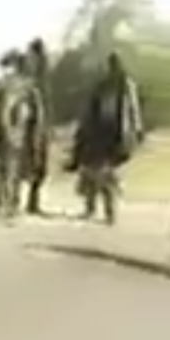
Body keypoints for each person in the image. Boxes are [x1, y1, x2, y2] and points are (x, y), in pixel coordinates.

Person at [66, 51, 144, 224]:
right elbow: (91, 109)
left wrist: (137, 130)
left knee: (107, 174)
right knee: (91, 171)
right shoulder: (102, 86)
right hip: (100, 132)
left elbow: (133, 109)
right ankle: (91, 207)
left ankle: (109, 212)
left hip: (116, 134)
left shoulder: (126, 85)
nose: (112, 68)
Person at [0, 49, 44, 218]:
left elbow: (3, 110)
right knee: (12, 170)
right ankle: (9, 203)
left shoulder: (14, 84)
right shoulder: (24, 86)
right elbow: (9, 109)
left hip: (16, 132)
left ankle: (3, 202)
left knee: (8, 169)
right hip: (18, 132)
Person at [22, 38, 53, 215]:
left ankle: (32, 202)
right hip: (32, 125)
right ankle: (22, 200)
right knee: (30, 163)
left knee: (40, 166)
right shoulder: (30, 78)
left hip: (41, 125)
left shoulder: (43, 77)